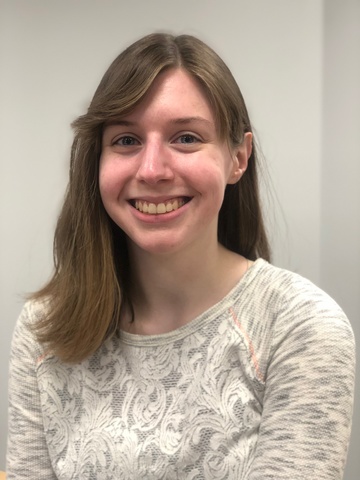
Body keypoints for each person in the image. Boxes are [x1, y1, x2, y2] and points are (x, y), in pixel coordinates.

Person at [6, 33, 355, 480]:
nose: (152, 170)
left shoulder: (299, 328)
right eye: (127, 140)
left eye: (186, 138)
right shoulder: (44, 330)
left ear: (238, 157)